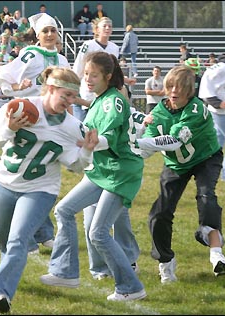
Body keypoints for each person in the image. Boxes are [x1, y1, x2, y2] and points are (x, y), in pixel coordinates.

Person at [0, 66, 99, 314]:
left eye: (73, 97)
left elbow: (77, 166)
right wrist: (9, 129)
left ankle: (0, 296)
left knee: (18, 241)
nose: (70, 102)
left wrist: (87, 151)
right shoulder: (20, 107)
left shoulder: (71, 126)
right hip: (5, 182)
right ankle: (9, 270)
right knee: (2, 237)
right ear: (49, 88)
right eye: (65, 95)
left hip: (40, 189)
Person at [40, 51, 147, 302]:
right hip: (101, 170)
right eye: (86, 73)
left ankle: (130, 286)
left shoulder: (113, 101)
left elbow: (108, 138)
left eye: (93, 75)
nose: (87, 78)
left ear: (107, 77)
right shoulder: (99, 100)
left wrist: (92, 143)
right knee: (64, 210)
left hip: (120, 173)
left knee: (98, 233)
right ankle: (65, 271)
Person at [137, 65, 225, 284]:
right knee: (159, 213)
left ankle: (215, 251)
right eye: (170, 86)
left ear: (190, 91)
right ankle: (165, 262)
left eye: (180, 88)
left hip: (206, 158)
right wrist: (135, 138)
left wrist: (138, 142)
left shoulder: (196, 110)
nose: (174, 91)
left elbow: (174, 141)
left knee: (207, 197)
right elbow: (145, 150)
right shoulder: (158, 112)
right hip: (176, 164)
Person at [0, 12, 71, 253]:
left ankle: (43, 233)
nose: (50, 35)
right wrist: (19, 86)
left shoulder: (61, 58)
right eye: (45, 31)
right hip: (28, 119)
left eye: (53, 31)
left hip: (52, 120)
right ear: (37, 35)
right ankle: (30, 237)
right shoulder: (31, 54)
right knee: (26, 175)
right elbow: (4, 76)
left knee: (42, 173)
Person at [199, 37, 225, 182]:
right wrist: (218, 103)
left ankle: (206, 169)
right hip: (222, 112)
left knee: (217, 142)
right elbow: (205, 90)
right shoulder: (218, 68)